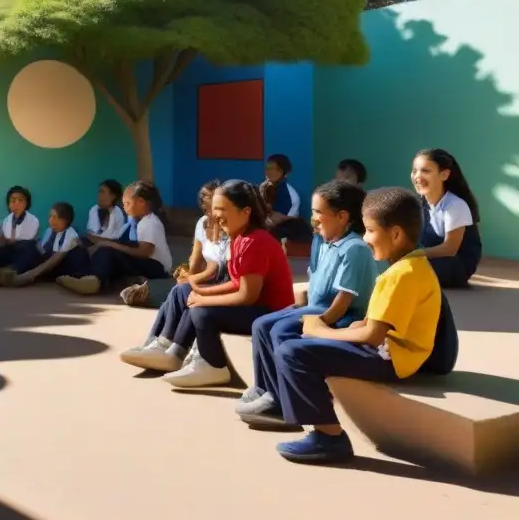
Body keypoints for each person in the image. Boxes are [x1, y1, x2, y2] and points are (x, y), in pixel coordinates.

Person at [271, 187, 441, 464]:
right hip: (393, 352)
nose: (365, 238)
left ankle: (329, 437)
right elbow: (378, 321)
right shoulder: (410, 266)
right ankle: (316, 415)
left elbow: (373, 337)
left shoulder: (400, 275)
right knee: (299, 345)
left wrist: (323, 331)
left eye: (371, 231)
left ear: (395, 233)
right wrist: (346, 330)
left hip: (390, 359)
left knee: (294, 352)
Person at [236, 180, 379, 426]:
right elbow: (314, 286)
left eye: (318, 212)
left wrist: (316, 325)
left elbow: (342, 303)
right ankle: (266, 388)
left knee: (281, 329)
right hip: (317, 309)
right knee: (261, 324)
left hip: (339, 317)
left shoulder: (354, 248)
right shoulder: (323, 243)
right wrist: (296, 310)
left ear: (342, 216)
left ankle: (284, 402)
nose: (313, 218)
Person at [156, 180, 295, 388]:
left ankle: (213, 366)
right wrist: (200, 290)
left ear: (245, 211)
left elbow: (247, 295)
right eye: (214, 209)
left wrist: (205, 298)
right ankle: (174, 351)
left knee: (202, 311)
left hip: (271, 314)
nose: (216, 215)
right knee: (188, 293)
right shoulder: (239, 237)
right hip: (255, 306)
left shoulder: (255, 241)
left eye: (222, 209)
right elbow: (237, 282)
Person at [120, 179, 227, 308]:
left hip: (222, 283)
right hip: (203, 279)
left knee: (183, 298)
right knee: (172, 294)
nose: (213, 215)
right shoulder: (202, 223)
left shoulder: (231, 227)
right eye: (208, 210)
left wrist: (192, 280)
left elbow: (215, 269)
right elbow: (196, 260)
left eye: (219, 209)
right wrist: (187, 274)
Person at [57, 181, 172, 295]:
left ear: (141, 202)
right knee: (94, 249)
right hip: (145, 262)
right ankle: (82, 277)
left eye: (127, 203)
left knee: (108, 252)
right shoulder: (136, 222)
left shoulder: (150, 222)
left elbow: (144, 251)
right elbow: (118, 241)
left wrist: (111, 245)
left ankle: (94, 281)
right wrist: (105, 243)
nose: (124, 207)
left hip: (156, 267)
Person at [412, 148, 482, 289]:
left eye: (425, 171)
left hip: (454, 264)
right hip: (428, 258)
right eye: (415, 171)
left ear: (444, 175)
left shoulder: (455, 205)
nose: (418, 176)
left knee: (409, 268)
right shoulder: (418, 203)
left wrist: (412, 255)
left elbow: (450, 249)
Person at [2, 202, 90, 287]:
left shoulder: (71, 234)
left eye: (55, 217)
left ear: (65, 220)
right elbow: (40, 251)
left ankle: (68, 280)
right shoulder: (49, 231)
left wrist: (30, 275)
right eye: (50, 217)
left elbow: (54, 260)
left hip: (62, 264)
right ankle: (12, 271)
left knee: (77, 253)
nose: (51, 221)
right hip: (49, 263)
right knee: (30, 245)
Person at [0, 186, 40, 285]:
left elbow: (27, 239)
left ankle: (12, 271)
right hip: (9, 251)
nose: (16, 204)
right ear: (9, 204)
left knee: (31, 247)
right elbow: (4, 241)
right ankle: (5, 271)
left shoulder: (33, 220)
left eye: (20, 200)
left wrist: (9, 241)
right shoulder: (6, 220)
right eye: (13, 201)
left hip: (22, 251)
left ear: (26, 204)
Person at [261, 154, 313, 244]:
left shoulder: (289, 195)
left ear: (285, 173)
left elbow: (274, 220)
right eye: (269, 168)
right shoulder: (264, 188)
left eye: (276, 169)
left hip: (284, 235)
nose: (271, 172)